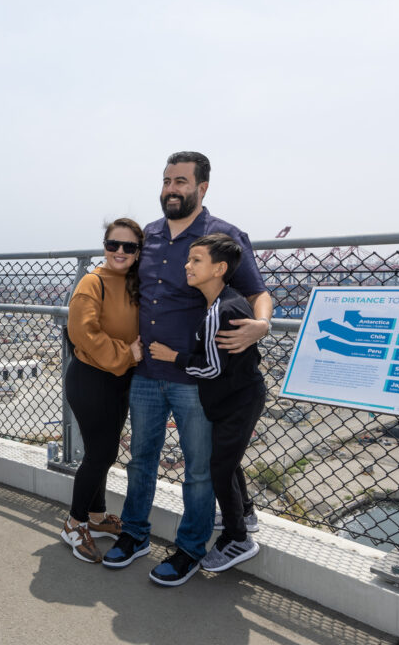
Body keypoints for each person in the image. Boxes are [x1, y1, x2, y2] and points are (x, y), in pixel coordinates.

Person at [102, 151, 272, 588]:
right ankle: (135, 534)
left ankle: (190, 548)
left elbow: (258, 293)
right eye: (166, 180)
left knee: (198, 469)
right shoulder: (149, 235)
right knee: (141, 460)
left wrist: (262, 325)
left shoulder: (224, 236)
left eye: (180, 181)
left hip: (194, 378)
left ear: (202, 187)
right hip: (146, 372)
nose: (171, 189)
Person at [149, 233, 267, 574]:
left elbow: (211, 367)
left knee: (220, 466)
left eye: (196, 260)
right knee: (227, 461)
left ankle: (238, 538)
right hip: (239, 396)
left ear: (219, 268)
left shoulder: (220, 310)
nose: (187, 265)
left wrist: (174, 357)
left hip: (237, 399)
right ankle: (244, 512)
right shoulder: (227, 301)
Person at [60, 219, 143, 563]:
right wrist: (128, 354)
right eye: (113, 245)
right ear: (105, 246)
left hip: (118, 379)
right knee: (100, 454)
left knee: (103, 452)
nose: (120, 252)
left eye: (129, 247)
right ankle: (74, 523)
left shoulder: (136, 283)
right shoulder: (92, 283)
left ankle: (95, 518)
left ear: (139, 252)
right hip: (92, 378)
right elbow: (83, 333)